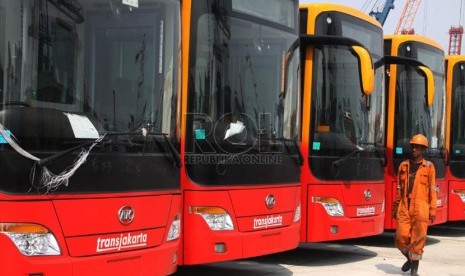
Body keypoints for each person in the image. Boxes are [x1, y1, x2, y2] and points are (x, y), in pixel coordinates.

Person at [392, 134, 437, 276]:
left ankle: (414, 271)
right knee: (400, 238)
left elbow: (432, 189)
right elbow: (399, 188)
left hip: (421, 207)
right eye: (412, 146)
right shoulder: (403, 166)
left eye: (417, 147)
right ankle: (410, 259)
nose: (414, 149)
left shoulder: (429, 167)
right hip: (405, 206)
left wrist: (433, 209)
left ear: (423, 150)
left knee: (418, 240)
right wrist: (396, 206)